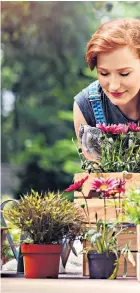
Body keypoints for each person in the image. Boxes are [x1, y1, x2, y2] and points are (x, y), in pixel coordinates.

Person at [73, 18, 140, 161]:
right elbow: (97, 174)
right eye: (104, 73)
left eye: (124, 74)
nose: (114, 86)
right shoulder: (87, 105)